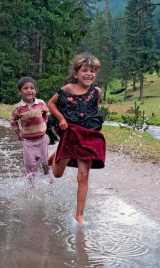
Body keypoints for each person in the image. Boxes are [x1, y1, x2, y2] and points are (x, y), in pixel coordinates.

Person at [47, 53, 106, 226]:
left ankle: (79, 215)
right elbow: (51, 104)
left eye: (92, 71)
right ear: (75, 74)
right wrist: (62, 119)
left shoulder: (97, 92)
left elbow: (91, 112)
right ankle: (57, 154)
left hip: (88, 137)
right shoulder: (67, 89)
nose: (89, 74)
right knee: (57, 174)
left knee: (83, 175)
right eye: (84, 70)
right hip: (70, 135)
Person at [10, 76, 52, 185]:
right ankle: (32, 188)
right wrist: (18, 134)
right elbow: (13, 122)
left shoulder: (41, 103)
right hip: (28, 142)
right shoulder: (18, 108)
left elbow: (46, 114)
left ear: (35, 90)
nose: (29, 90)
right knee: (31, 167)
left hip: (42, 139)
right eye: (25, 88)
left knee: (46, 163)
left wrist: (45, 126)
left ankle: (49, 182)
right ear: (19, 91)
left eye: (32, 88)